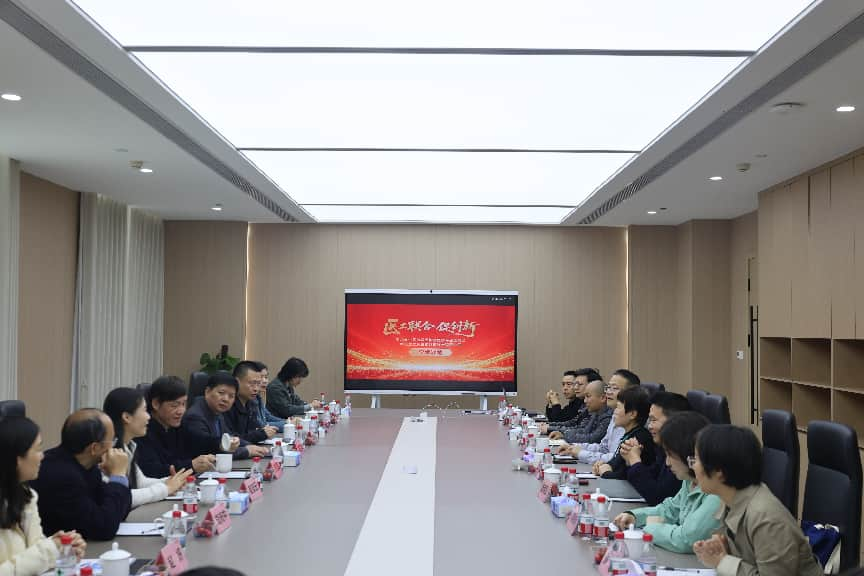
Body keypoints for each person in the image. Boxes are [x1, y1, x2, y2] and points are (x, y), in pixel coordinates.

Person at [692, 425, 822, 576]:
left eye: (696, 459)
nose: (693, 466)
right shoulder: (731, 501)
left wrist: (723, 561)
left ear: (719, 471)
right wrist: (725, 550)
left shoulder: (766, 518)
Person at [613, 412, 721, 553]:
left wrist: (650, 527)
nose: (668, 463)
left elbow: (686, 539)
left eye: (671, 455)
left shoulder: (715, 493)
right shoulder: (689, 480)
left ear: (687, 453)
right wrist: (635, 517)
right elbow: (670, 510)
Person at [0, 416, 85, 575]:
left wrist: (63, 549)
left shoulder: (27, 496)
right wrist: (51, 549)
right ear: (17, 458)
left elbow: (35, 549)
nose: (42, 456)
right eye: (38, 449)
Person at [31, 409, 132, 541]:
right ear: (95, 448)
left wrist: (116, 477)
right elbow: (103, 528)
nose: (114, 447)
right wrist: (118, 475)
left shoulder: (88, 466)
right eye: (112, 441)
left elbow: (119, 511)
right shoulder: (61, 476)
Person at [103, 387, 192, 508]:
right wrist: (166, 488)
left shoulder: (128, 446)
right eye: (144, 410)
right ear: (127, 417)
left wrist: (173, 481)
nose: (148, 416)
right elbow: (123, 497)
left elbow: (140, 482)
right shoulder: (108, 453)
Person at [137, 376, 216, 478]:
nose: (181, 411)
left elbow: (200, 441)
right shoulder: (142, 430)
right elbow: (152, 471)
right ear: (156, 404)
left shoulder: (178, 425)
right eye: (174, 405)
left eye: (183, 404)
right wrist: (191, 466)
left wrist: (221, 444)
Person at [620, 391, 691, 505]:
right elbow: (651, 476)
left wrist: (635, 461)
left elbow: (658, 498)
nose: (649, 426)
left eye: (653, 420)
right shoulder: (663, 449)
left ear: (673, 421)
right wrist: (631, 460)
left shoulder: (682, 455)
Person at [553, 369, 640, 460]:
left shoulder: (628, 419)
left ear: (631, 392)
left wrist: (580, 453)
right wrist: (573, 447)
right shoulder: (615, 415)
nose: (608, 392)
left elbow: (615, 458)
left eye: (614, 388)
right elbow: (603, 448)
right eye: (608, 387)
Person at [181, 372, 270, 460]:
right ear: (207, 391)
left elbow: (229, 437)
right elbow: (210, 451)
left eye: (231, 396)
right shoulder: (195, 417)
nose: (226, 399)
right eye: (221, 393)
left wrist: (250, 446)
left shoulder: (216, 411)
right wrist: (246, 451)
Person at [597, 386, 654, 478]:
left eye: (618, 407)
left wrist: (605, 473)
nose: (614, 412)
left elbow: (624, 475)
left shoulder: (638, 439)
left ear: (632, 414)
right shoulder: (630, 434)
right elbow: (616, 462)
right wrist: (604, 465)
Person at [226, 362, 279, 443]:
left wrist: (263, 431)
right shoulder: (227, 405)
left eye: (258, 383)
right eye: (252, 383)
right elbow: (231, 440)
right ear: (237, 382)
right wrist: (260, 434)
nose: (256, 389)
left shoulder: (251, 403)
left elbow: (254, 430)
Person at [546, 380, 611, 445]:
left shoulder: (608, 416)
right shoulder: (595, 412)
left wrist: (564, 435)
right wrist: (562, 433)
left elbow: (592, 439)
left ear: (603, 398)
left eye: (588, 396)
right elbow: (584, 431)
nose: (585, 401)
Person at [249, 362, 285, 428]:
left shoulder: (258, 397)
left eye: (266, 377)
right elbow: (260, 425)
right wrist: (287, 424)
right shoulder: (250, 399)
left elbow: (267, 416)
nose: (265, 381)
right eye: (261, 377)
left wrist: (288, 422)